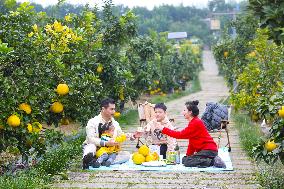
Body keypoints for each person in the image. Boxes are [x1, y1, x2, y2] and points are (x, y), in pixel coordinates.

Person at [157, 100, 219, 168]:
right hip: (207, 151)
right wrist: (188, 155)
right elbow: (192, 142)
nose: (182, 112)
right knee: (185, 160)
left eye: (184, 110)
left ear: (190, 112)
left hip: (209, 150)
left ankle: (213, 161)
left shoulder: (195, 123)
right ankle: (211, 159)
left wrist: (163, 129)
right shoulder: (194, 121)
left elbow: (180, 135)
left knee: (187, 162)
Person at [82, 98, 125, 169]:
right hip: (95, 148)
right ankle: (87, 160)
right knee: (91, 147)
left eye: (114, 109)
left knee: (126, 155)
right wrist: (105, 143)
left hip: (109, 151)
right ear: (103, 109)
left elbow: (121, 135)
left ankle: (100, 161)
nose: (114, 112)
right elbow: (91, 139)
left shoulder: (115, 124)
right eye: (111, 109)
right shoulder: (93, 122)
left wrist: (132, 136)